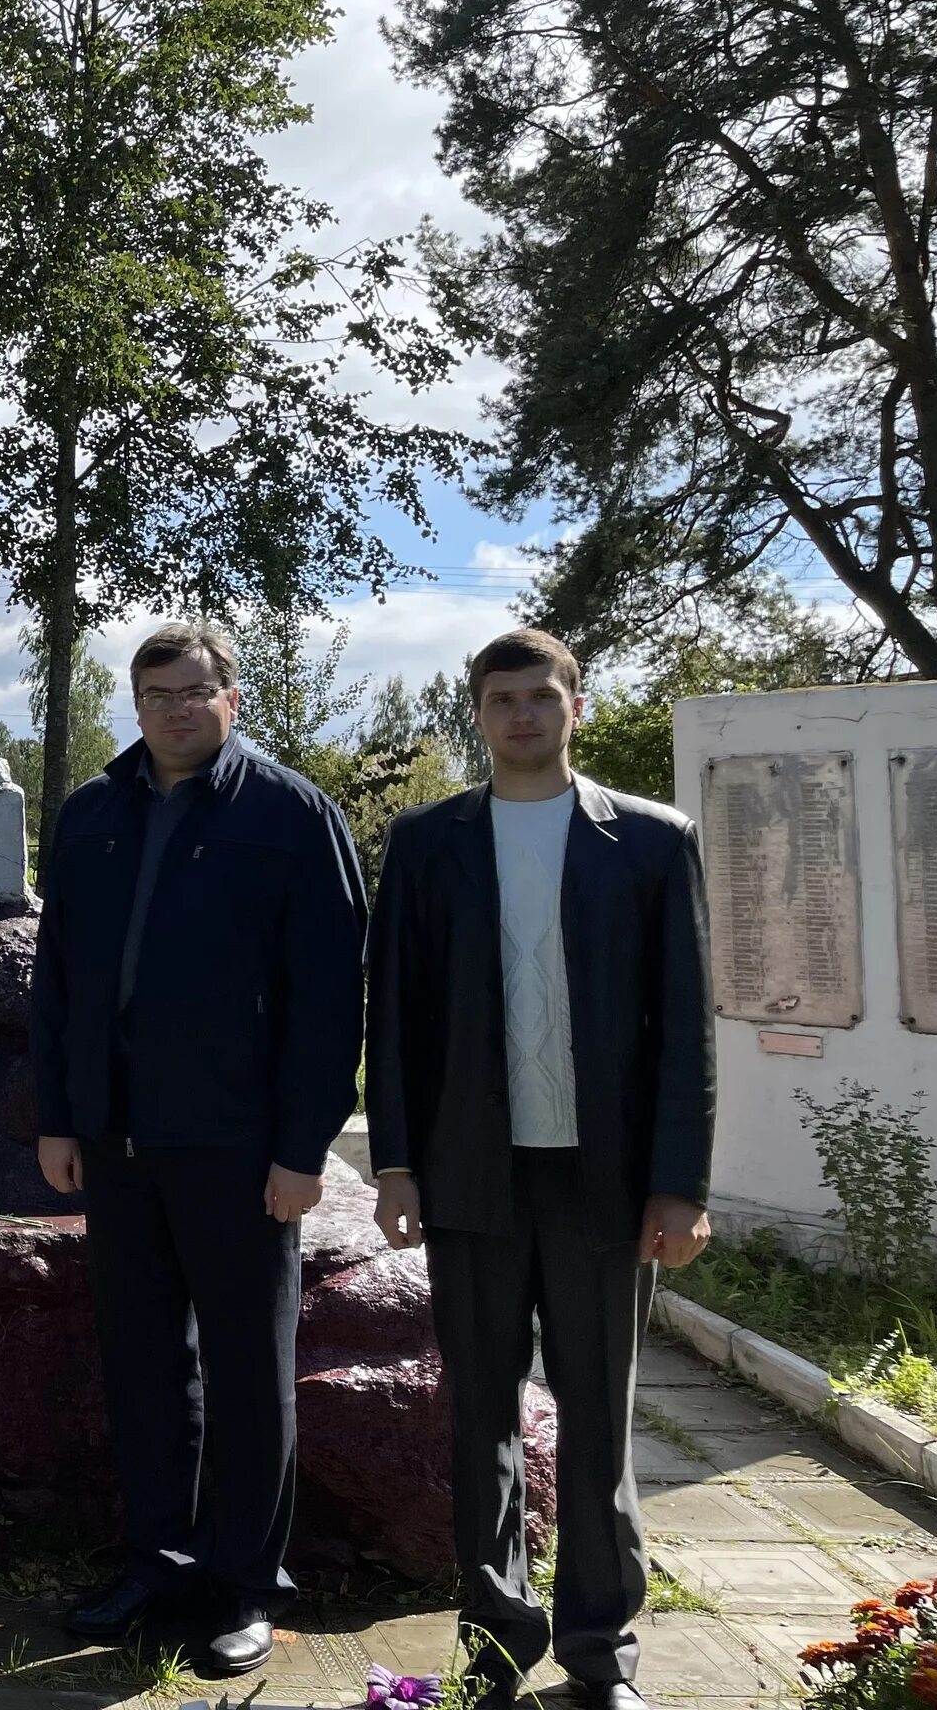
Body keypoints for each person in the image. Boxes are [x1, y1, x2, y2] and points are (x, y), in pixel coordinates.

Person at [366, 629, 714, 1710]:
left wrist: (681, 1185)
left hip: (602, 1186)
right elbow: (398, 1016)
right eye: (499, 699)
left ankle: (600, 1655)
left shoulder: (651, 843)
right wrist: (396, 1165)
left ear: (576, 707)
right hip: (470, 1178)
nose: (520, 716)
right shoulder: (426, 845)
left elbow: (685, 1031)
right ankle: (496, 1639)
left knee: (597, 1420)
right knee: (479, 1417)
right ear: (475, 714)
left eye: (539, 697)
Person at [31, 620, 368, 1679]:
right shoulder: (91, 814)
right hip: (118, 1143)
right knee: (140, 1363)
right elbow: (59, 982)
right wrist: (61, 1115)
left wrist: (301, 1145)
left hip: (237, 1146)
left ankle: (245, 1585)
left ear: (232, 698)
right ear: (134, 704)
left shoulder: (288, 814)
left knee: (245, 1369)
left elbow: (328, 999)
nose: (177, 708)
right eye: (156, 692)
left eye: (195, 690)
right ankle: (158, 1562)